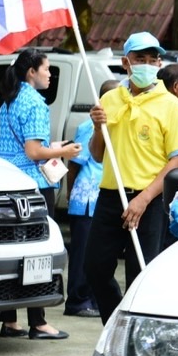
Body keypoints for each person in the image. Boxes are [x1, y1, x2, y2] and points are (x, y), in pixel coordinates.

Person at [86, 31, 178, 323]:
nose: (146, 64)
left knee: (140, 274)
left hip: (150, 200)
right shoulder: (109, 99)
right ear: (126, 63)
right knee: (94, 268)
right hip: (111, 195)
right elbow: (97, 154)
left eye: (152, 59)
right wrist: (98, 128)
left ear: (159, 64)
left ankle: (134, 334)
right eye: (139, 59)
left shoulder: (170, 104)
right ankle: (116, 324)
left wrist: (143, 199)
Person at [0, 48, 77, 340]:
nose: (50, 75)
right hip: (34, 186)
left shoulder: (9, 100)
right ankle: (38, 321)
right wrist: (64, 151)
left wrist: (53, 148)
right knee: (38, 252)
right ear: (32, 72)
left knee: (13, 250)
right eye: (47, 69)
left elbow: (24, 147)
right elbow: (33, 152)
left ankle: (9, 320)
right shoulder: (35, 103)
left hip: (8, 181)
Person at [63, 79, 120, 318]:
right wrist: (70, 193)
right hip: (87, 197)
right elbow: (75, 164)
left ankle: (94, 301)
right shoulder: (90, 127)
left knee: (99, 255)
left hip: (101, 199)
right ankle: (77, 301)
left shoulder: (116, 124)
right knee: (82, 254)